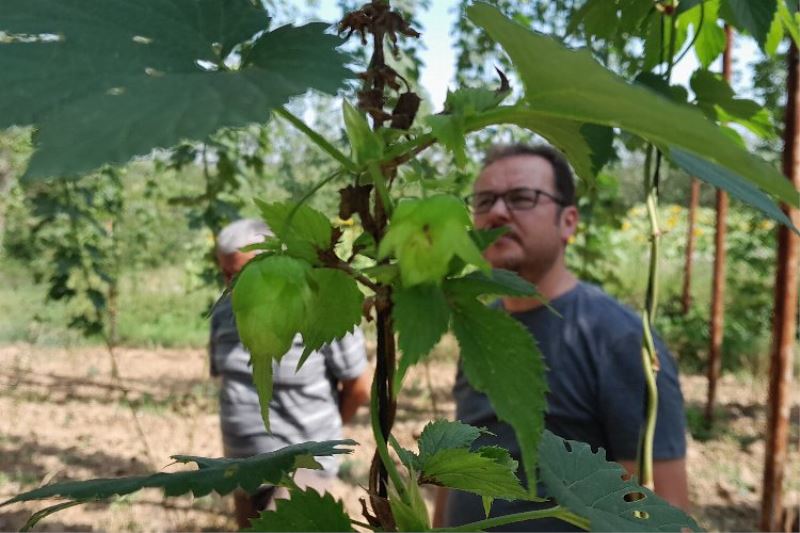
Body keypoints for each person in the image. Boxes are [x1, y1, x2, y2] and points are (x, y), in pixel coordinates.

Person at [434, 144, 689, 531]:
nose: (497, 213)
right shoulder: (480, 328)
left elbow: (663, 508)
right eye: (484, 201)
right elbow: (457, 461)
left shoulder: (618, 340)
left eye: (522, 198)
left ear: (568, 221)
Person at [210, 218, 371, 528]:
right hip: (243, 471)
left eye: (242, 274)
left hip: (300, 469)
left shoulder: (320, 307)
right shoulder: (223, 312)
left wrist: (321, 437)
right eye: (226, 274)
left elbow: (359, 386)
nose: (233, 285)